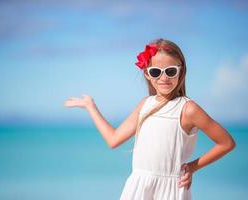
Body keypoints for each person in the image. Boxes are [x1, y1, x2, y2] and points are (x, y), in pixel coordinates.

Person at [64, 38, 236, 200]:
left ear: (181, 70)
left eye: (170, 71)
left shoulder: (188, 109)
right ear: (147, 74)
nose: (164, 78)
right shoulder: (145, 104)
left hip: (171, 190)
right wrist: (91, 106)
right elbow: (113, 140)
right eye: (155, 72)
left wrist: (192, 167)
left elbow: (226, 143)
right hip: (138, 187)